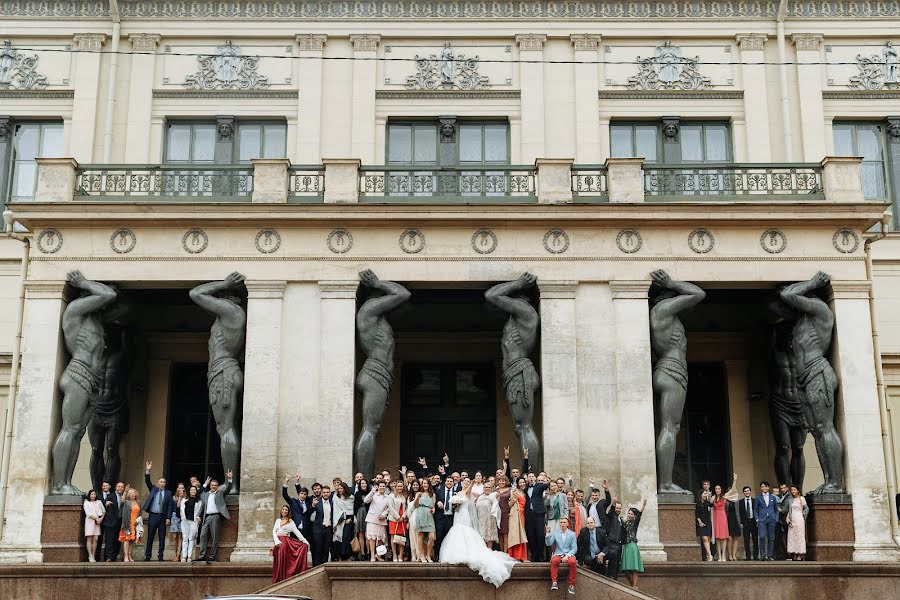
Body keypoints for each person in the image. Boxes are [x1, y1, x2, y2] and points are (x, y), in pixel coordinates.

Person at [190, 273, 247, 494]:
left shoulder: (231, 312)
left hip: (224, 372)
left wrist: (224, 283)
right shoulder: (228, 315)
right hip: (224, 371)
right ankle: (231, 481)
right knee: (226, 427)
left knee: (226, 428)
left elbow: (195, 293)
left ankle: (231, 483)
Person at [439, 478, 517, 587]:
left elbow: (471, 496)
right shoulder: (458, 493)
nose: (466, 483)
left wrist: (471, 484)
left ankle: (466, 553)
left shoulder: (469, 493)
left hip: (465, 515)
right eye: (464, 481)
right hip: (458, 514)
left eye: (467, 481)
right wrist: (455, 503)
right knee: (457, 533)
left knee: (465, 532)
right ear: (461, 483)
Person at [196, 471, 234, 563]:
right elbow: (202, 506)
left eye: (215, 485)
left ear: (217, 486)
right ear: (210, 486)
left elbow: (228, 489)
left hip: (216, 516)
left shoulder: (220, 493)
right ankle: (202, 556)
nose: (214, 486)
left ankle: (212, 556)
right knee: (203, 536)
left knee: (215, 537)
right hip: (207, 517)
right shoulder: (206, 494)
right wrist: (198, 515)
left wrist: (229, 479)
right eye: (212, 485)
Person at [142, 461, 174, 562]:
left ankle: (160, 556)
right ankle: (148, 556)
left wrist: (168, 518)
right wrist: (148, 470)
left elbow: (169, 506)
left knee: (162, 538)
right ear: (157, 483)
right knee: (150, 537)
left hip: (162, 517)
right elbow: (147, 481)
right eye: (161, 482)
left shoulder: (168, 493)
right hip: (153, 516)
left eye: (164, 482)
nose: (162, 483)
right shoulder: (154, 489)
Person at [272, 505, 310, 583]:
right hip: (277, 543)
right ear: (281, 511)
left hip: (285, 542)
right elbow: (274, 531)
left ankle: (283, 579)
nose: (284, 511)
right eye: (283, 509)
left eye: (286, 510)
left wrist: (305, 542)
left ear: (288, 512)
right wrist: (277, 541)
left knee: (283, 560)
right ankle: (278, 579)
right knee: (278, 560)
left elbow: (297, 532)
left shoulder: (291, 522)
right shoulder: (278, 521)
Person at [545, 516, 577, 595]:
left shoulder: (572, 534)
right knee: (554, 561)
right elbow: (548, 543)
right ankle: (554, 582)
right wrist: (548, 533)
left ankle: (571, 585)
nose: (562, 524)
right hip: (558, 553)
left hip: (568, 554)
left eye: (564, 522)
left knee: (573, 562)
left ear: (567, 524)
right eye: (561, 522)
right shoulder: (555, 532)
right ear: (559, 524)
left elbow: (574, 548)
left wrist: (568, 555)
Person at [524, 464, 549, 562]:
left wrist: (546, 481)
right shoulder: (525, 488)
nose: (531, 478)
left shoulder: (539, 486)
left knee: (540, 534)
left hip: (538, 513)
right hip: (529, 514)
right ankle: (534, 555)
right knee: (530, 535)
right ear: (527, 479)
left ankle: (540, 554)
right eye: (529, 477)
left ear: (535, 478)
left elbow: (546, 486)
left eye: (532, 477)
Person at [620, 499, 647, 589]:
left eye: (632, 514)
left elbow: (639, 515)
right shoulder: (624, 523)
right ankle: (633, 585)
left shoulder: (635, 523)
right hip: (626, 546)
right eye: (629, 513)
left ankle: (634, 586)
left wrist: (643, 506)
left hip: (632, 545)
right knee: (626, 569)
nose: (630, 515)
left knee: (634, 568)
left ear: (634, 516)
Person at [711, 475, 739, 561]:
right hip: (715, 517)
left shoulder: (724, 497)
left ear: (721, 490)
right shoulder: (713, 497)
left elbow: (732, 491)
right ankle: (719, 555)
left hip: (722, 517)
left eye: (719, 489)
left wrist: (734, 480)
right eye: (716, 489)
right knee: (718, 538)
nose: (717, 490)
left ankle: (723, 555)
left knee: (723, 537)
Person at [310, 484, 337, 566]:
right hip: (318, 529)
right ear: (321, 493)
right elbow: (309, 514)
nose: (325, 494)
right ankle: (317, 568)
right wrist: (313, 506)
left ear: (329, 493)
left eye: (327, 492)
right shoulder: (316, 502)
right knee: (318, 549)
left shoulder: (333, 502)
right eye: (324, 492)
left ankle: (324, 568)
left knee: (326, 549)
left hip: (328, 529)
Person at [364, 481, 390, 561]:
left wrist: (384, 514)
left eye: (383, 486)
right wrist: (372, 492)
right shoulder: (374, 494)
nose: (382, 487)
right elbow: (365, 500)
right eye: (380, 486)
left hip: (381, 520)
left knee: (380, 539)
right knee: (372, 538)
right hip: (372, 519)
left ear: (385, 487)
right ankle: (372, 556)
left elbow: (389, 508)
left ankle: (378, 555)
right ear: (378, 487)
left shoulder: (388, 497)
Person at [99, 481, 123, 562]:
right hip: (110, 522)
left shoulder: (124, 496)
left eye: (121, 487)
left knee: (118, 540)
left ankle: (115, 556)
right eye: (118, 487)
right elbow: (103, 501)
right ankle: (109, 557)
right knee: (109, 540)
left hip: (120, 522)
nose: (120, 488)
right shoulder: (111, 495)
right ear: (116, 488)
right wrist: (106, 502)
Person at [783, 485, 809, 561]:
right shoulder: (790, 500)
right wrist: (788, 518)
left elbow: (806, 508)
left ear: (798, 490)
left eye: (794, 490)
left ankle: (800, 553)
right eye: (792, 490)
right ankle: (794, 552)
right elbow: (788, 510)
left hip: (799, 519)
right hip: (792, 519)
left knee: (799, 535)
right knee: (792, 536)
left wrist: (803, 516)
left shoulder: (802, 499)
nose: (793, 491)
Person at [413, 479, 436, 562]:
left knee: (431, 536)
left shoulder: (432, 494)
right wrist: (417, 498)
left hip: (429, 515)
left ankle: (428, 555)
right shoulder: (419, 493)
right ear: (422, 484)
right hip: (420, 514)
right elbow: (415, 505)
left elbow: (433, 506)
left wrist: (433, 510)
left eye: (427, 483)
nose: (425, 485)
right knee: (421, 535)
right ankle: (421, 555)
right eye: (424, 483)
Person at [755, 481, 779, 561]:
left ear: (768, 487)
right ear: (761, 488)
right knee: (762, 537)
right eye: (762, 486)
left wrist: (776, 518)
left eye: (765, 486)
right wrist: (757, 518)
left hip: (772, 519)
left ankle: (769, 555)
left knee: (771, 538)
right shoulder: (758, 498)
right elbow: (756, 510)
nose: (764, 488)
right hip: (762, 520)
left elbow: (776, 509)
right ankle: (762, 555)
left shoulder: (773, 498)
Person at [332, 481, 355, 561]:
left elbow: (353, 509)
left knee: (346, 537)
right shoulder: (336, 497)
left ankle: (347, 555)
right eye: (339, 488)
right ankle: (339, 556)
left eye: (342, 488)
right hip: (339, 519)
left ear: (345, 489)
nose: (340, 490)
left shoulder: (351, 497)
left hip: (349, 519)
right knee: (339, 537)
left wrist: (351, 518)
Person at [507, 477, 528, 561]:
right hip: (516, 515)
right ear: (518, 484)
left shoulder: (526, 493)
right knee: (516, 535)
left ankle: (523, 556)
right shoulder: (514, 491)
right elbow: (509, 504)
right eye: (520, 482)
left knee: (523, 535)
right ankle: (515, 556)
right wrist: (514, 498)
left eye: (523, 482)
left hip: (524, 515)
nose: (522, 484)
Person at [605, 497, 626, 580]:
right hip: (612, 542)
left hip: (619, 543)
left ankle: (615, 577)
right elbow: (610, 513)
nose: (618, 510)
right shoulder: (611, 517)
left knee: (617, 562)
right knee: (612, 560)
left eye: (619, 508)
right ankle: (610, 576)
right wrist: (613, 504)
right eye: (617, 508)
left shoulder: (621, 519)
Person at [434, 475, 456, 557]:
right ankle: (437, 555)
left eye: (451, 481)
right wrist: (437, 502)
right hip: (440, 518)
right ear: (445, 482)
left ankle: (447, 555)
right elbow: (434, 500)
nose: (449, 483)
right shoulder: (439, 490)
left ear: (453, 483)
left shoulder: (456, 491)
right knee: (439, 536)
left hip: (451, 518)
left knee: (449, 538)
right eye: (448, 481)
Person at [179, 485, 201, 562]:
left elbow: (200, 511)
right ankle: (184, 556)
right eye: (191, 490)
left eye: (194, 490)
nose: (193, 491)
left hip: (193, 521)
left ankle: (189, 556)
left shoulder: (199, 501)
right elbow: (181, 510)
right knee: (185, 538)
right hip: (185, 521)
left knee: (191, 538)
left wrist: (199, 517)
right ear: (189, 491)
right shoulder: (184, 500)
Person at [475, 481, 500, 549]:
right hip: (480, 518)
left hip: (489, 519)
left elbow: (498, 495)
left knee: (489, 535)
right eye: (485, 487)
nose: (487, 488)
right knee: (481, 534)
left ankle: (489, 550)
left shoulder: (493, 495)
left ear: (492, 488)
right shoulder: (480, 497)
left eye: (489, 487)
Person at [118, 487, 141, 562]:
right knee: (126, 540)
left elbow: (139, 513)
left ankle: (130, 555)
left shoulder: (138, 502)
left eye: (133, 492)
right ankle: (125, 556)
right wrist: (125, 491)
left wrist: (138, 521)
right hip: (127, 523)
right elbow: (122, 501)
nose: (132, 494)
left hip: (135, 524)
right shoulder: (126, 502)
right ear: (128, 495)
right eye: (130, 493)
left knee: (132, 540)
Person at [83, 489, 105, 562]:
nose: (93, 496)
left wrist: (100, 519)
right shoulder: (86, 503)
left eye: (94, 494)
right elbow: (88, 513)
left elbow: (104, 511)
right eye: (92, 494)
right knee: (89, 538)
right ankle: (90, 555)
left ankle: (93, 554)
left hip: (97, 522)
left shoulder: (99, 502)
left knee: (95, 539)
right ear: (89, 495)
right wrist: (96, 518)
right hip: (90, 521)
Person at [387, 481, 407, 562]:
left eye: (401, 486)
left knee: (401, 537)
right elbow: (390, 507)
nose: (399, 488)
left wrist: (403, 517)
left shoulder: (404, 496)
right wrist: (398, 517)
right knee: (393, 536)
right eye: (398, 486)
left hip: (403, 519)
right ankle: (394, 554)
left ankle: (400, 555)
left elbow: (407, 508)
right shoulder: (391, 496)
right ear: (395, 487)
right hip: (394, 518)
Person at [738, 485, 759, 561]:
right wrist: (741, 522)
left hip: (753, 522)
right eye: (745, 491)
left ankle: (756, 556)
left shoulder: (755, 501)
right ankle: (748, 556)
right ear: (743, 493)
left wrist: (757, 520)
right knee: (746, 540)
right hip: (745, 523)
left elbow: (757, 511)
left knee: (755, 540)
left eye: (748, 491)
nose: (747, 492)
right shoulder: (740, 502)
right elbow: (740, 513)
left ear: (750, 492)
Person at [354, 478, 371, 560]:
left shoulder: (370, 492)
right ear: (360, 485)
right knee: (361, 534)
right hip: (360, 513)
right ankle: (362, 553)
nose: (364, 485)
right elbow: (355, 506)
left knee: (368, 534)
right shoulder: (357, 494)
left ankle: (368, 552)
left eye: (365, 483)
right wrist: (355, 516)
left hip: (369, 513)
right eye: (362, 483)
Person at [169, 483, 185, 562]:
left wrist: (181, 497)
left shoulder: (185, 498)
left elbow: (180, 506)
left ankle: (178, 555)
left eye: (182, 488)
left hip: (182, 517)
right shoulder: (174, 498)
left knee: (180, 537)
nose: (180, 489)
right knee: (174, 537)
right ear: (177, 489)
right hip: (175, 517)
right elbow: (175, 507)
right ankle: (174, 553)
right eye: (179, 488)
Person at [695, 490, 713, 561]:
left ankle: (707, 555)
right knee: (704, 538)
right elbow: (696, 513)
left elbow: (712, 505)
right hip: (700, 522)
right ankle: (709, 554)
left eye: (706, 494)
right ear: (700, 494)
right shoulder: (697, 503)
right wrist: (700, 522)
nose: (705, 495)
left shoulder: (707, 502)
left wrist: (709, 497)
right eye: (704, 494)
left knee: (708, 539)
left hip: (707, 522)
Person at [496, 475, 512, 551]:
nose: (501, 482)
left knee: (505, 533)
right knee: (499, 533)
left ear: (506, 482)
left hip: (506, 513)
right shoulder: (495, 490)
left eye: (503, 481)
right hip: (497, 514)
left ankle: (506, 552)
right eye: (500, 481)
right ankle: (502, 551)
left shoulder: (510, 490)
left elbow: (513, 501)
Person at [406, 479, 421, 560]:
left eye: (417, 485)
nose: (415, 486)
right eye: (414, 485)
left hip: (420, 517)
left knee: (420, 536)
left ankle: (420, 555)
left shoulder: (422, 495)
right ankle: (414, 555)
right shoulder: (409, 497)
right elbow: (409, 509)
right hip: (412, 517)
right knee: (412, 537)